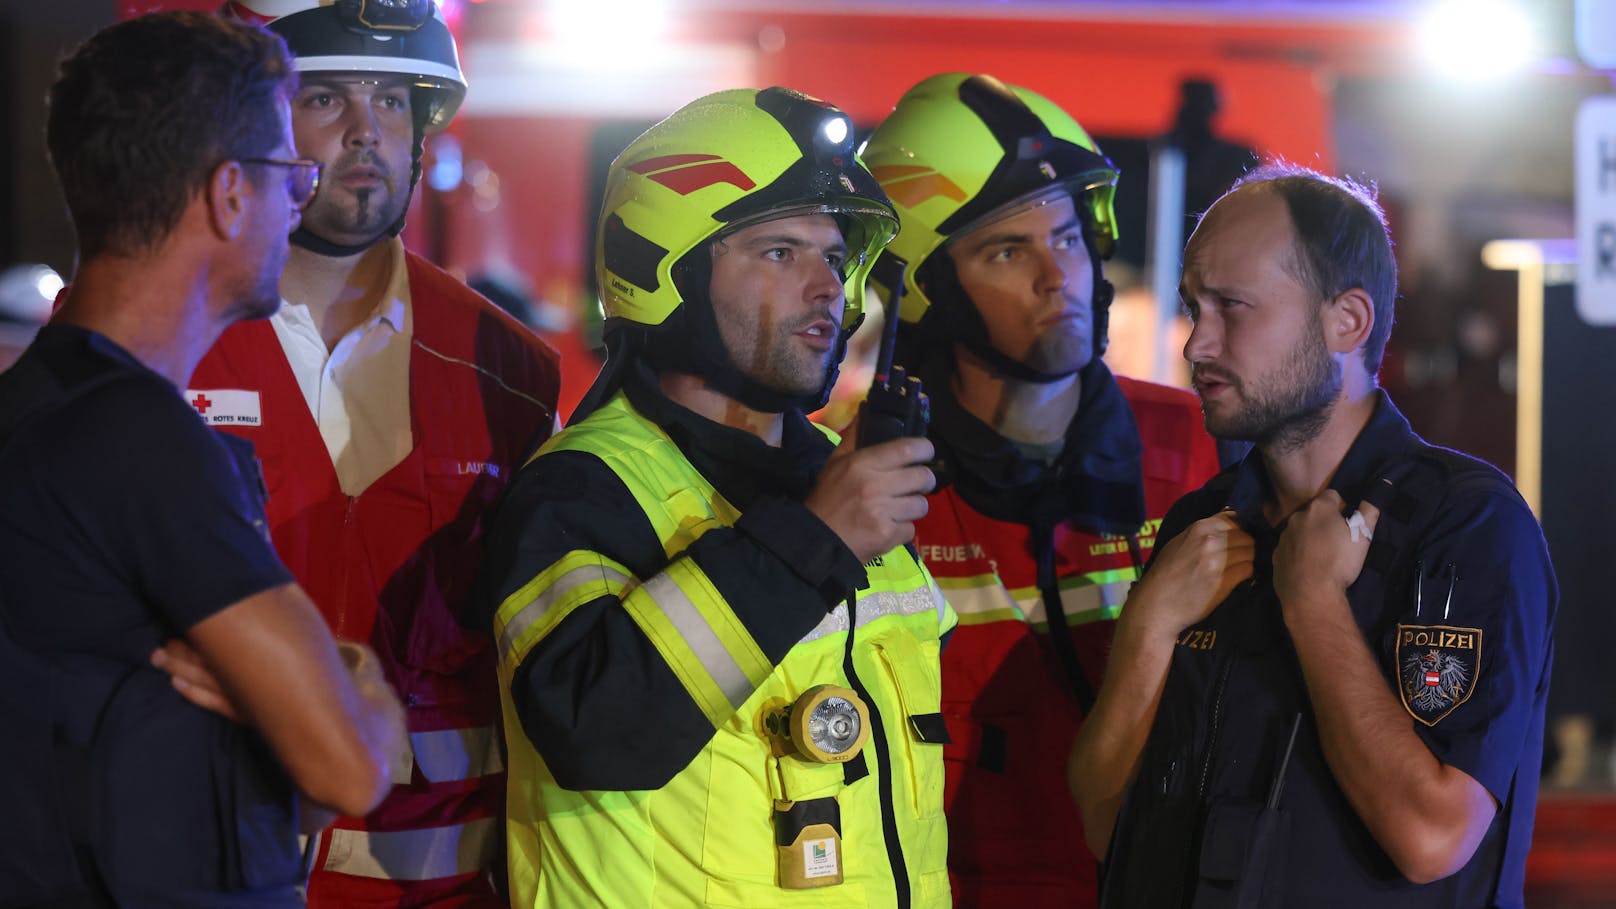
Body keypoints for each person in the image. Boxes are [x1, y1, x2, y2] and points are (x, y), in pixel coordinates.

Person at [471, 87, 954, 908]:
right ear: (667, 270)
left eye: (836, 259)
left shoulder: (844, 476)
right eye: (779, 252)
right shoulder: (582, 489)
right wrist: (811, 539)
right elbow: (595, 731)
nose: (824, 288)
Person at [0, 12, 405, 907]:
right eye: (285, 173)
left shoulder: (36, 407)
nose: (298, 199)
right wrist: (362, 687)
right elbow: (347, 768)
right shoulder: (141, 441)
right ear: (229, 193)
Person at [1070, 164, 1556, 908]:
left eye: (1232, 306)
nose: (1198, 343)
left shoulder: (1465, 525)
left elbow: (1431, 837)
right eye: (1193, 305)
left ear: (1348, 321)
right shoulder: (1202, 525)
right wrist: (1148, 629)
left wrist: (1315, 605)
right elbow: (1106, 824)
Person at [187, 1, 561, 905]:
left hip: (441, 882)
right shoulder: (176, 335)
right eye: (326, 97)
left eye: (393, 102)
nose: (367, 133)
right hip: (219, 861)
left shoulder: (508, 367)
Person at [860, 72, 1220, 907]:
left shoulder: (1201, 443)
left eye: (1066, 235)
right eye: (1006, 250)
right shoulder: (872, 487)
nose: (1059, 276)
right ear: (927, 290)